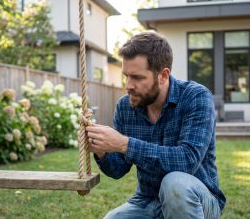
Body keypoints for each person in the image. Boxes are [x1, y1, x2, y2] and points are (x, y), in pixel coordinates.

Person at [86, 32, 226, 219]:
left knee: (174, 183)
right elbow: (118, 169)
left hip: (196, 200)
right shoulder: (125, 106)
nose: (128, 85)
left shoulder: (196, 97)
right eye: (126, 76)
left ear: (163, 75)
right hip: (147, 201)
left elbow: (187, 160)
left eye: (137, 77)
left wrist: (124, 144)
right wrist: (101, 150)